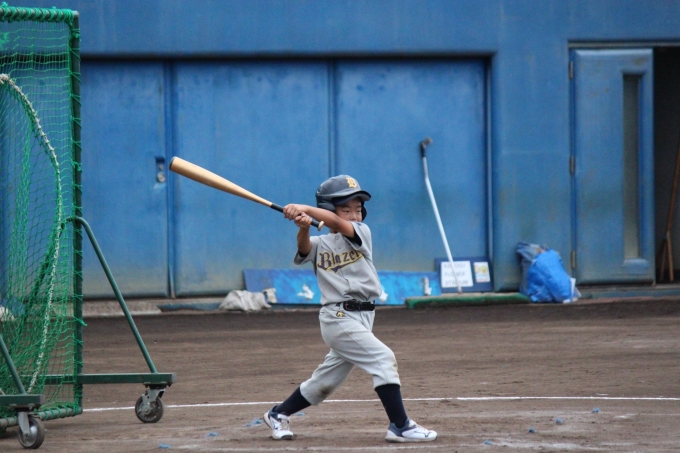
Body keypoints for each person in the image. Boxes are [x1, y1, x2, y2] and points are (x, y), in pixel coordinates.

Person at [262, 175, 437, 443]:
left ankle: (278, 413)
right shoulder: (321, 244)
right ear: (329, 208)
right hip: (337, 317)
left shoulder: (362, 232)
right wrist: (304, 226)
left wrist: (304, 208)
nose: (355, 215)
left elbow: (336, 224)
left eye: (358, 209)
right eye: (346, 209)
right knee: (383, 358)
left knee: (326, 380)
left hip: (365, 315)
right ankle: (400, 425)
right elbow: (304, 247)